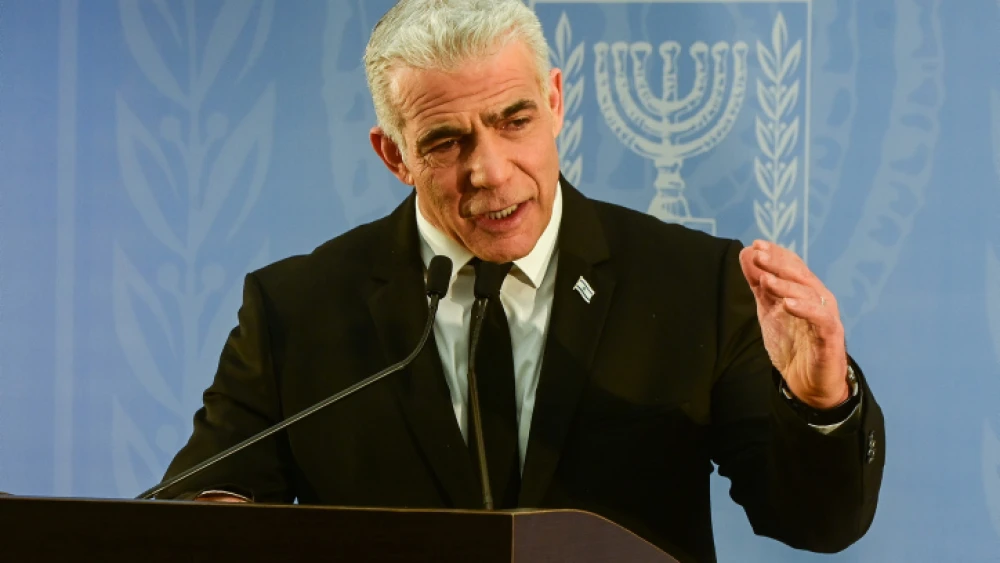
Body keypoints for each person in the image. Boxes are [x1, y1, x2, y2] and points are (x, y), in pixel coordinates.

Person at [156, 1, 884, 561]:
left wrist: (820, 401)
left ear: (557, 101)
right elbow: (205, 499)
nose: (491, 170)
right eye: (446, 140)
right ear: (393, 154)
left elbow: (817, 523)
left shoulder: (693, 284)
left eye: (514, 120)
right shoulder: (297, 310)